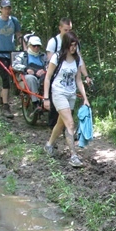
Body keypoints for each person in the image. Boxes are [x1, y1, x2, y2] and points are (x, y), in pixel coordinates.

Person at [43, 31, 90, 168]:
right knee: (70, 123)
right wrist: (46, 98)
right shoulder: (57, 58)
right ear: (66, 45)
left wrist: (85, 99)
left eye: (75, 45)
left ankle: (49, 145)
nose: (73, 48)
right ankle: (74, 156)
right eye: (71, 45)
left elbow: (78, 80)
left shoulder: (77, 60)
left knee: (61, 123)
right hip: (58, 92)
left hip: (71, 94)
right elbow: (47, 77)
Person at [46, 18, 92, 129]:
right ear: (60, 28)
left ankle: (65, 129)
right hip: (56, 73)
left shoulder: (75, 44)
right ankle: (55, 128)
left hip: (70, 77)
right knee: (55, 108)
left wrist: (86, 76)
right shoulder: (54, 42)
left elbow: (79, 62)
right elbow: (50, 60)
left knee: (67, 111)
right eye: (66, 30)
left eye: (70, 30)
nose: (68, 32)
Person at [0, 0, 22, 119]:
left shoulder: (14, 21)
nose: (7, 10)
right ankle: (6, 106)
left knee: (14, 78)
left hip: (12, 54)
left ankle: (3, 100)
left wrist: (25, 48)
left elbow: (18, 35)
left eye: (9, 8)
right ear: (1, 9)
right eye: (5, 8)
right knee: (5, 78)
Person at [12, 35, 46, 105]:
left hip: (41, 75)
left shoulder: (43, 56)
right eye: (34, 45)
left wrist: (44, 70)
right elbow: (14, 65)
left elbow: (49, 65)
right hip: (27, 75)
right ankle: (35, 102)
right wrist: (26, 69)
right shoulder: (23, 55)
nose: (36, 47)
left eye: (38, 45)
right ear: (29, 45)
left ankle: (47, 100)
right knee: (31, 78)